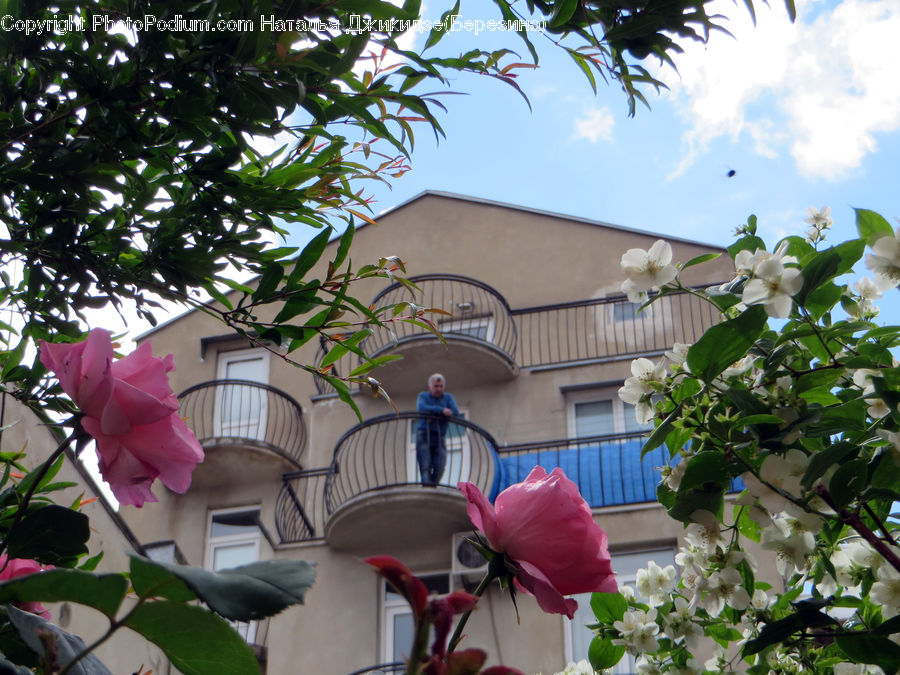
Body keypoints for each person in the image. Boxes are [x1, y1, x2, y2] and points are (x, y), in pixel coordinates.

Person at [415, 373, 460, 486]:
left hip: (439, 436)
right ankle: (426, 489)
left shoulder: (448, 397)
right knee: (425, 466)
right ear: (430, 386)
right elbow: (422, 408)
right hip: (424, 435)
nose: (439, 389)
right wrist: (442, 412)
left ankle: (433, 487)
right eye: (436, 386)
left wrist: (433, 415)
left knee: (440, 465)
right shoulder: (423, 396)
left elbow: (455, 412)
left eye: (441, 386)